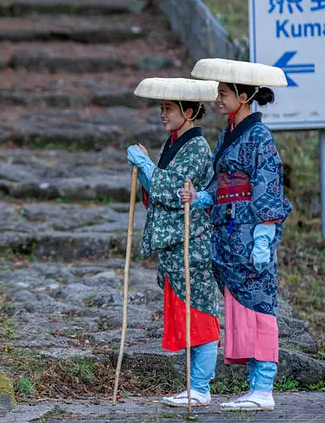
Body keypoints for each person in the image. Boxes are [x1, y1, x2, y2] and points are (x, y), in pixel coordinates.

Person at [181, 58, 293, 412]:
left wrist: (264, 235)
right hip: (227, 230)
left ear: (243, 96)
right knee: (239, 305)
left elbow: (268, 186)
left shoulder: (260, 137)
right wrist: (202, 198)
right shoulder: (228, 134)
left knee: (258, 303)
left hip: (250, 230)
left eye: (224, 92)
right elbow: (219, 182)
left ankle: (264, 387)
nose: (217, 97)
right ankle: (253, 385)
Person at [126, 78, 222, 407]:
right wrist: (145, 170)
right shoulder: (173, 142)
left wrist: (146, 165)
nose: (162, 114)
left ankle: (201, 387)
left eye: (169, 109)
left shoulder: (196, 148)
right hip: (175, 245)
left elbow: (167, 189)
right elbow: (158, 190)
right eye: (162, 108)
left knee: (201, 312)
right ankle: (195, 385)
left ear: (190, 112)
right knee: (187, 311)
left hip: (191, 245)